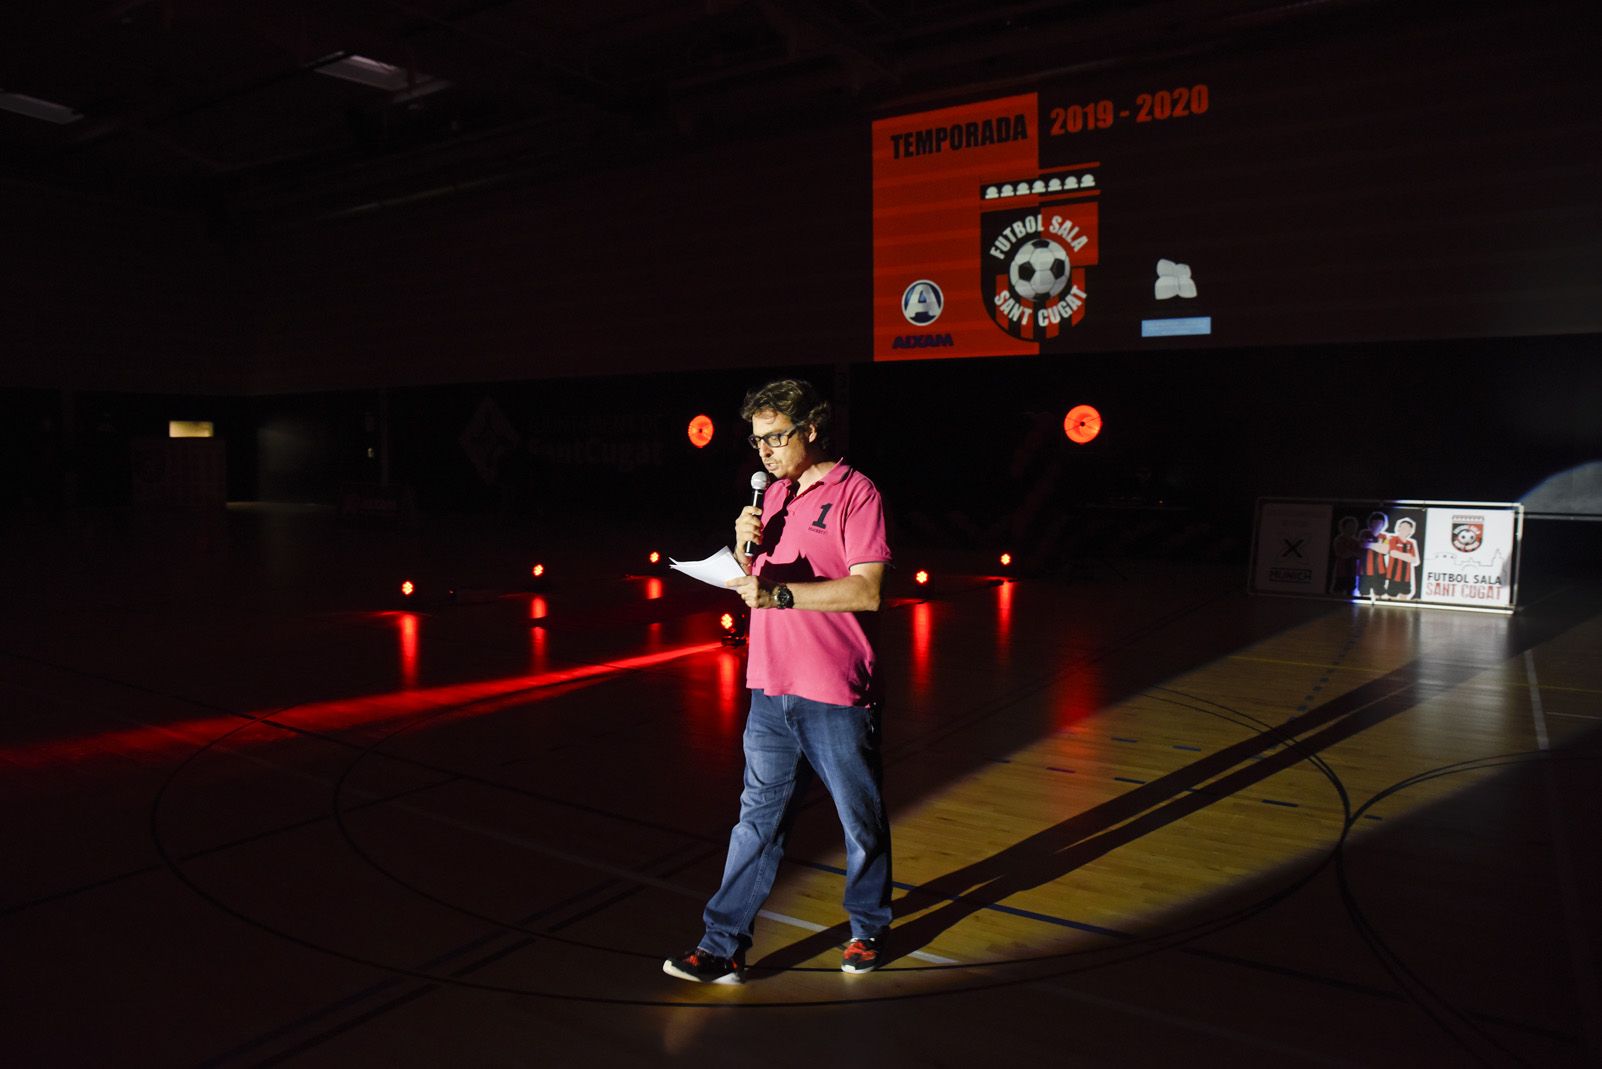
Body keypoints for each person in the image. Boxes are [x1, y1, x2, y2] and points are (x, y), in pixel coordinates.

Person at [663, 379, 893, 984]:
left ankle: (868, 928)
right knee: (756, 823)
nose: (763, 452)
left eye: (775, 437)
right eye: (756, 440)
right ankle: (722, 945)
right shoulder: (774, 497)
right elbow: (758, 586)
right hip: (769, 686)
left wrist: (779, 592)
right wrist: (742, 556)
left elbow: (867, 590)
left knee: (858, 820)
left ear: (811, 430)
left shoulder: (856, 493)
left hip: (834, 689)